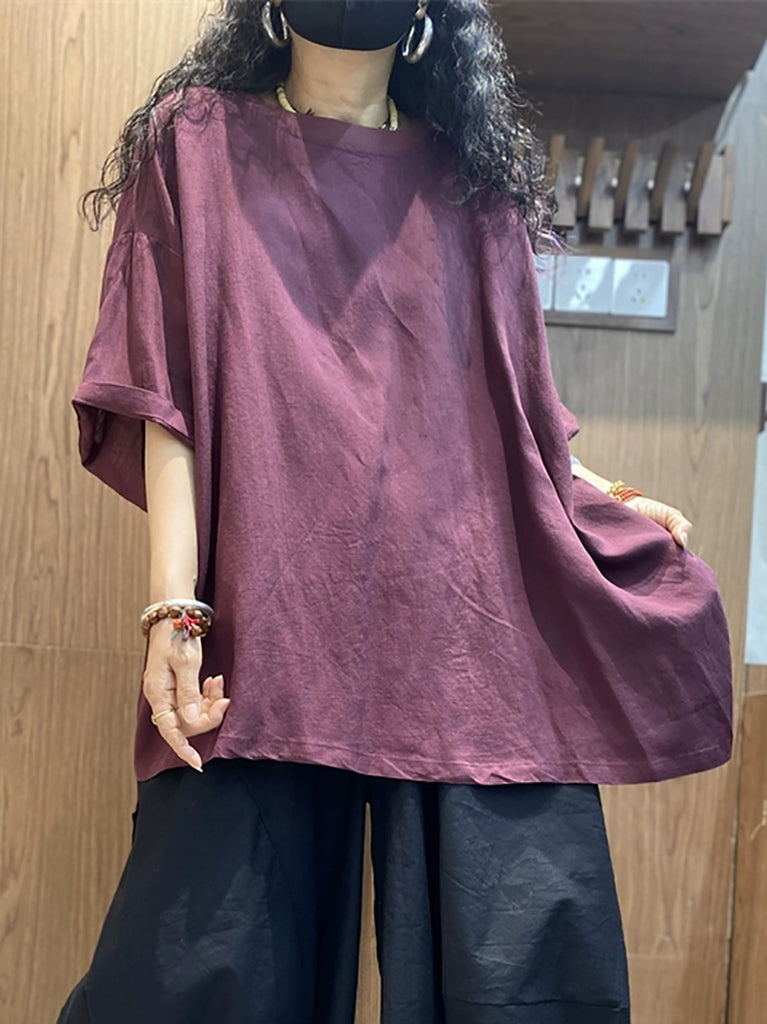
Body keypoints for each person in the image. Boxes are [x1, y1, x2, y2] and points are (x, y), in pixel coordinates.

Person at [57, 1, 733, 1021]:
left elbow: (502, 414)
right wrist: (173, 609)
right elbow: (167, 393)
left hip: (458, 612)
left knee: (513, 968)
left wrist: (599, 493)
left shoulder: (472, 182)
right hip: (267, 607)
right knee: (205, 965)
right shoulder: (194, 139)